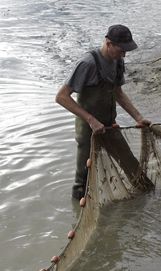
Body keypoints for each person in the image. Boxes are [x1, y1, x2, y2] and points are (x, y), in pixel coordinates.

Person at [56, 24, 152, 200]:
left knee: (131, 165)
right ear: (109, 44)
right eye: (122, 50)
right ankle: (81, 214)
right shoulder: (87, 64)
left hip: (109, 125)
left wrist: (139, 117)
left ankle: (147, 197)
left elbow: (118, 93)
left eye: (126, 50)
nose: (124, 54)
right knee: (82, 181)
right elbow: (61, 97)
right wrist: (91, 120)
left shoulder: (118, 62)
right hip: (88, 130)